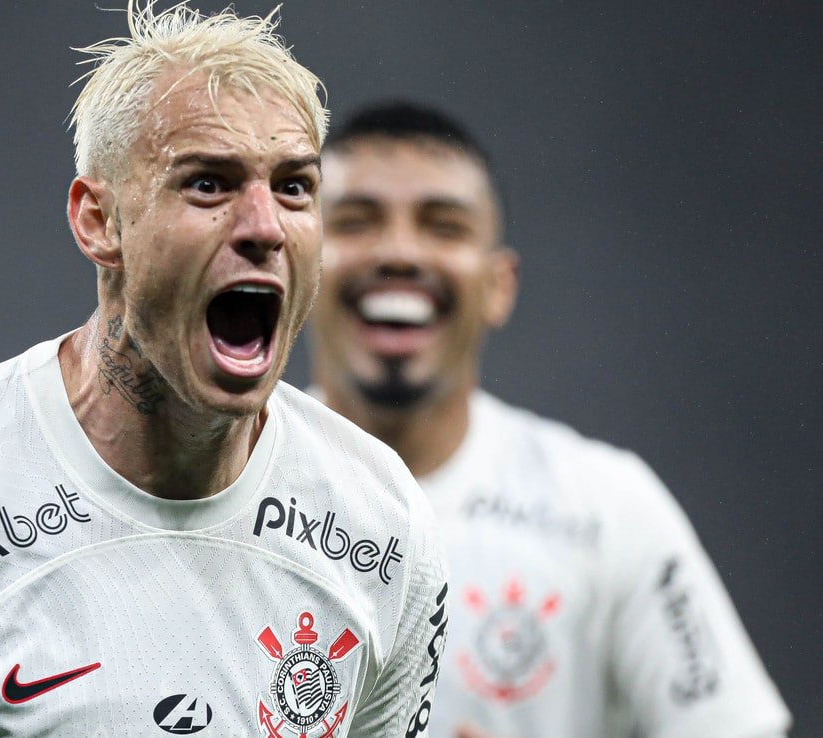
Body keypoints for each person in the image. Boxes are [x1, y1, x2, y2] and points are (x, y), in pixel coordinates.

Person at [0, 7, 451, 737]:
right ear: (99, 221)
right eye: (208, 184)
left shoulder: (383, 529)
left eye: (294, 187)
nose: (264, 227)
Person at [309, 101, 791, 738]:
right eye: (355, 222)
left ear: (499, 286)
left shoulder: (606, 507)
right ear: (299, 264)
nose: (399, 251)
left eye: (444, 226)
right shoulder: (221, 487)